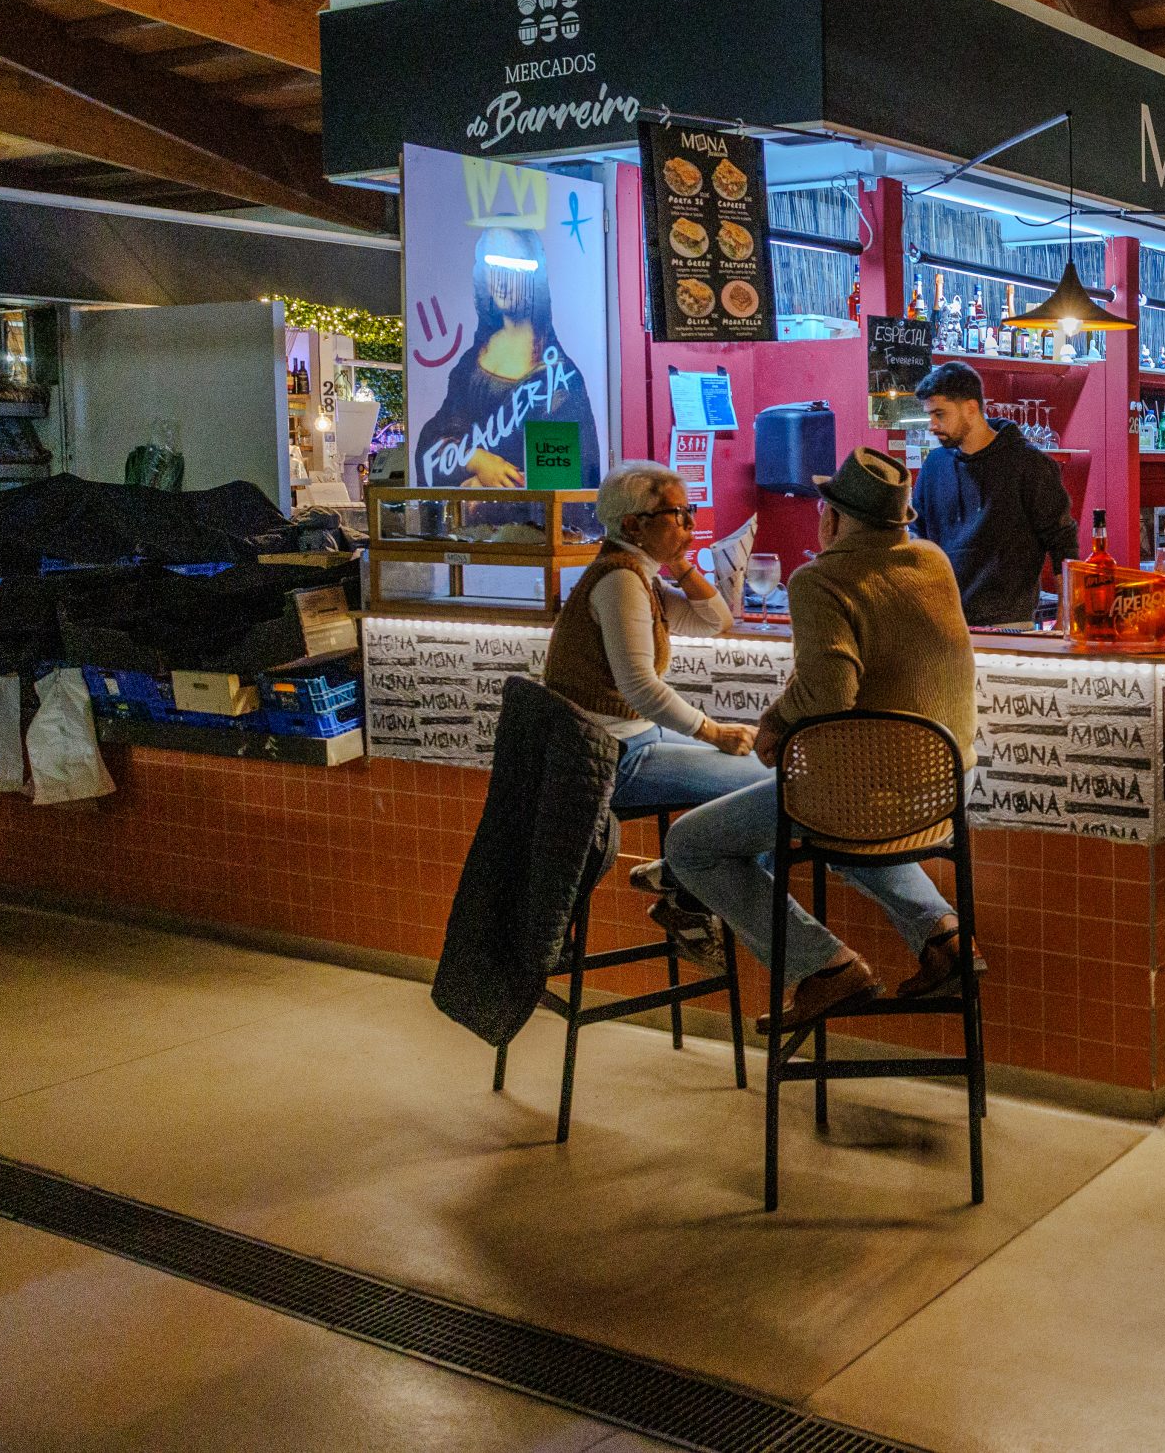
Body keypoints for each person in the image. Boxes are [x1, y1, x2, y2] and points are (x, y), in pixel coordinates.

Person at [660, 449, 980, 1029]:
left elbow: (829, 690)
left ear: (833, 519)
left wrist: (775, 725)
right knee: (841, 830)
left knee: (691, 845)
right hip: (944, 791)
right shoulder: (932, 561)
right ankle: (944, 937)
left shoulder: (820, 580)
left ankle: (825, 968)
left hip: (865, 797)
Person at [542, 464, 766, 951]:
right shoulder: (619, 581)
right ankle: (687, 890)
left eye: (690, 512)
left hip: (634, 742)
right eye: (677, 514)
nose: (689, 523)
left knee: (764, 776)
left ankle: (682, 880)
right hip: (611, 759)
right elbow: (640, 687)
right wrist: (713, 732)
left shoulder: (639, 577)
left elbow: (714, 621)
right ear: (632, 526)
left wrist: (681, 563)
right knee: (772, 790)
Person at [416, 227, 603, 489]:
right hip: (467, 531)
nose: (501, 281)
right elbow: (434, 440)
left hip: (530, 529)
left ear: (534, 278)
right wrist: (476, 460)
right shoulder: (471, 363)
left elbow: (565, 478)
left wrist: (485, 493)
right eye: (491, 266)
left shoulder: (559, 380)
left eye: (512, 268)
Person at [910, 361, 1080, 628]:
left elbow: (1064, 546)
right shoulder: (934, 465)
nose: (932, 425)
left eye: (940, 414)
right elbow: (916, 536)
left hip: (1010, 626)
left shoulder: (1029, 465)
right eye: (929, 415)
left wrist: (1066, 618)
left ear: (970, 408)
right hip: (945, 625)